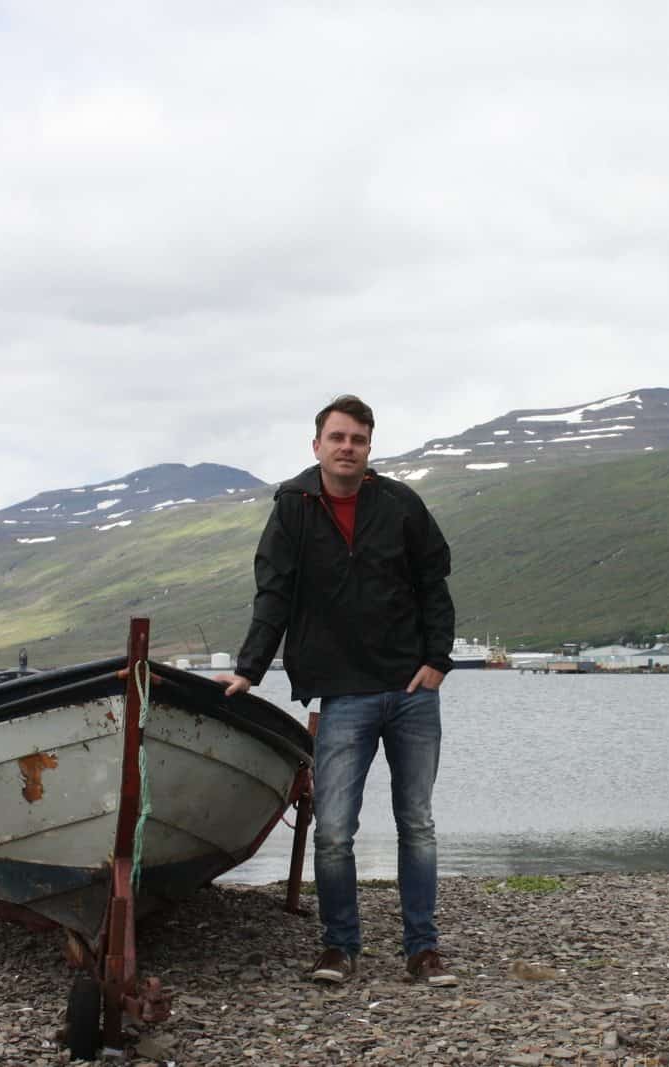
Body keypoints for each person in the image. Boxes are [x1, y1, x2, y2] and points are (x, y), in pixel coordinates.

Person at [214, 394, 459, 987]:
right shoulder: (293, 510)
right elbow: (273, 592)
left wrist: (437, 662)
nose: (347, 447)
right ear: (317, 445)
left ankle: (422, 951)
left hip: (411, 693)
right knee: (332, 831)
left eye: (358, 439)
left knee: (417, 824)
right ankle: (338, 948)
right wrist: (249, 668)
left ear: (369, 447)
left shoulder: (400, 504)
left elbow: (434, 581)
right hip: (343, 694)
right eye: (338, 437)